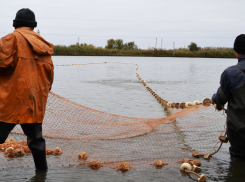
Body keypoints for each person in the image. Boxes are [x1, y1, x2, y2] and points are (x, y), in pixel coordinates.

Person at [0, 8, 54, 170]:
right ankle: (41, 175)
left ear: (16, 24)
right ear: (32, 26)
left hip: (9, 101)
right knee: (36, 141)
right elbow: (49, 80)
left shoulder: (11, 39)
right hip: (34, 104)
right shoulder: (44, 45)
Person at [212, 34, 245, 159]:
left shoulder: (230, 73)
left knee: (238, 165)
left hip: (240, 136)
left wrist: (213, 99)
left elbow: (220, 99)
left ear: (236, 52)